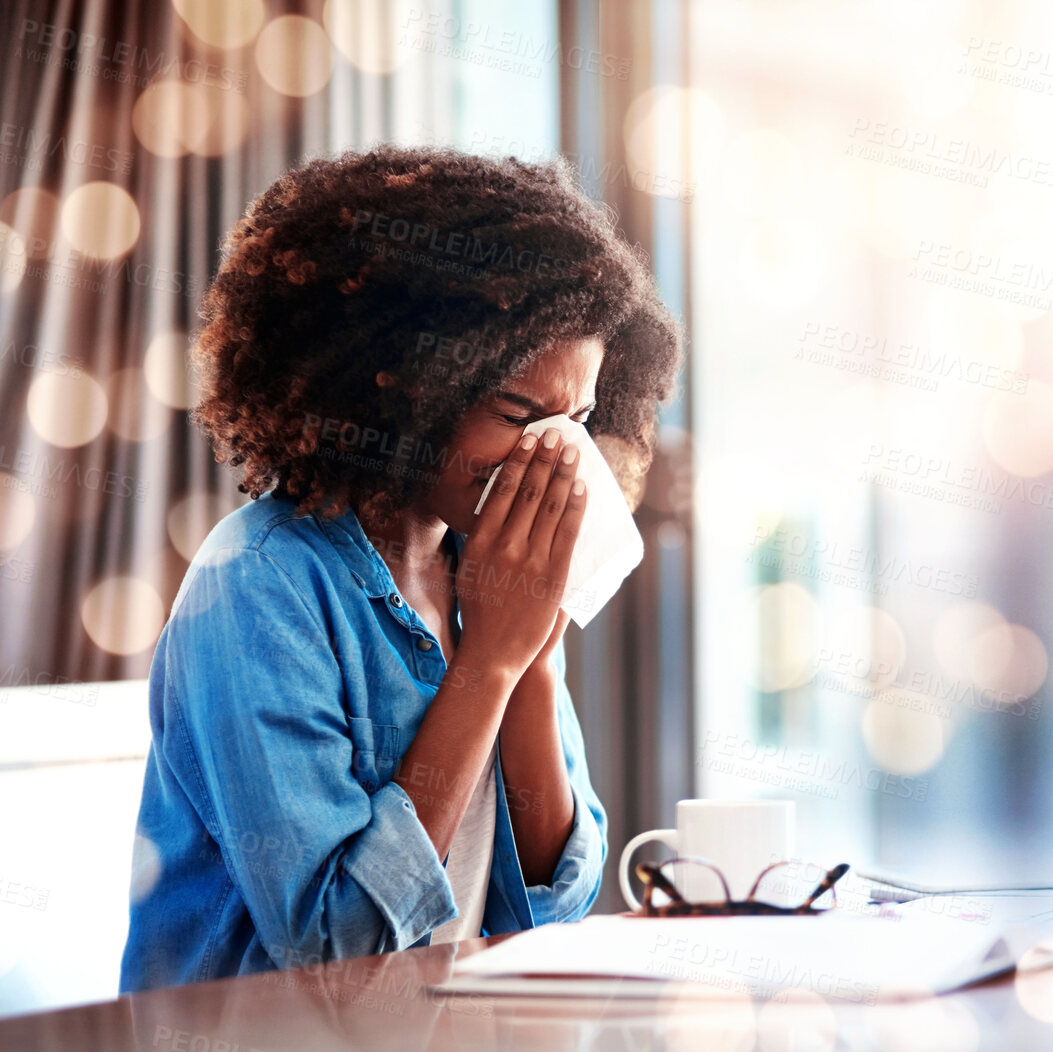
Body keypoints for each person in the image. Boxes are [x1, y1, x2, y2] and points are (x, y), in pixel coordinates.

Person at [120, 146, 680, 992]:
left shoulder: (482, 562)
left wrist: (533, 660)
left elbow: (546, 908)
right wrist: (488, 662)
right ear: (401, 391)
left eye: (581, 416)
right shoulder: (257, 586)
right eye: (519, 415)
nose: (558, 455)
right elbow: (335, 952)